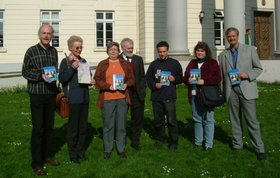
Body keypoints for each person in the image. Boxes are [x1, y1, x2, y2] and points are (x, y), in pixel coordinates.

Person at [218, 27, 266, 160]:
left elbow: (258, 68)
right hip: (231, 91)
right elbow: (222, 76)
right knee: (234, 119)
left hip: (246, 89)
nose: (231, 38)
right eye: (229, 37)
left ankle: (259, 148)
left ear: (237, 36)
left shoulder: (250, 50)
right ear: (226, 38)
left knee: (251, 120)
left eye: (233, 36)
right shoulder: (222, 55)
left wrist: (247, 74)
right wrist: (222, 92)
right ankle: (237, 144)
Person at [22, 24, 60, 176]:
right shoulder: (31, 51)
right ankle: (36, 163)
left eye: (49, 33)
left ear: (52, 36)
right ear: (39, 34)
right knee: (38, 129)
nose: (46, 36)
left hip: (50, 94)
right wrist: (40, 76)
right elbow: (25, 71)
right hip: (37, 94)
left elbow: (55, 71)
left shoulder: (54, 51)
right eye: (44, 33)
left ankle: (48, 156)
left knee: (49, 128)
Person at [94, 41, 135, 159]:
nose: (113, 51)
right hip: (107, 98)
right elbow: (97, 79)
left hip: (122, 98)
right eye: (111, 49)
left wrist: (126, 85)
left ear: (119, 51)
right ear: (107, 51)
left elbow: (132, 79)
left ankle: (121, 149)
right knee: (108, 125)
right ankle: (108, 149)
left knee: (121, 125)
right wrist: (108, 86)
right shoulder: (103, 64)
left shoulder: (125, 63)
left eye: (115, 49)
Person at [59, 35, 93, 164]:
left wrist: (91, 80)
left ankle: (80, 152)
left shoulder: (84, 61)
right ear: (70, 48)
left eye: (81, 47)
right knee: (73, 128)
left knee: (83, 128)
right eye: (77, 47)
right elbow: (62, 79)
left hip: (85, 98)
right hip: (73, 99)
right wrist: (72, 68)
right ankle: (73, 154)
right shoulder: (66, 61)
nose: (79, 49)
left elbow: (86, 78)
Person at [183, 41, 221, 150]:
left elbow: (217, 78)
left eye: (202, 51)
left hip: (207, 96)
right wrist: (188, 80)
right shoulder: (192, 63)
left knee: (208, 119)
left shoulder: (212, 63)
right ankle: (198, 142)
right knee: (197, 119)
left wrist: (204, 81)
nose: (199, 53)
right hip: (194, 95)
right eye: (198, 51)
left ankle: (208, 144)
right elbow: (185, 77)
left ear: (206, 52)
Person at [146, 41, 183, 150]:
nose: (162, 54)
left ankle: (173, 142)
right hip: (156, 97)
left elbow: (181, 78)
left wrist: (174, 79)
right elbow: (148, 79)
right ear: (157, 52)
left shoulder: (175, 63)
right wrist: (154, 85)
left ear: (168, 51)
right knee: (158, 122)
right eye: (160, 52)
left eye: (164, 51)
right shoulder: (153, 64)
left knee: (171, 121)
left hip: (169, 96)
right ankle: (159, 139)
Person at [119, 38, 146, 150]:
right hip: (123, 93)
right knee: (122, 118)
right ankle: (121, 140)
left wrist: (143, 91)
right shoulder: (117, 59)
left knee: (137, 118)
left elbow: (141, 76)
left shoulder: (138, 59)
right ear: (122, 48)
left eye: (132, 48)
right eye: (128, 48)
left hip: (137, 94)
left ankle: (135, 141)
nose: (130, 50)